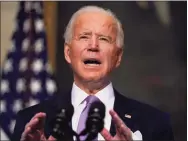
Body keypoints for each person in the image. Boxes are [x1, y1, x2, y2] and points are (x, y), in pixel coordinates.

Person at [13, 5, 174, 141]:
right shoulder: (29, 121)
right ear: (68, 53)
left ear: (117, 57)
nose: (93, 45)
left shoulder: (155, 123)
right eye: (84, 37)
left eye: (104, 39)